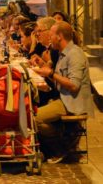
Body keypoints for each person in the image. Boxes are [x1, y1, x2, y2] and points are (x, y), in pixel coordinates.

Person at [32, 21, 94, 163]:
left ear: (59, 36)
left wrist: (51, 74)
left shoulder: (75, 54)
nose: (49, 38)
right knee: (34, 109)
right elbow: (59, 78)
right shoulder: (63, 53)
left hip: (72, 102)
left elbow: (74, 85)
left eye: (52, 35)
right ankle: (62, 141)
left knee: (33, 118)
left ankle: (61, 147)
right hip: (63, 98)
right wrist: (44, 68)